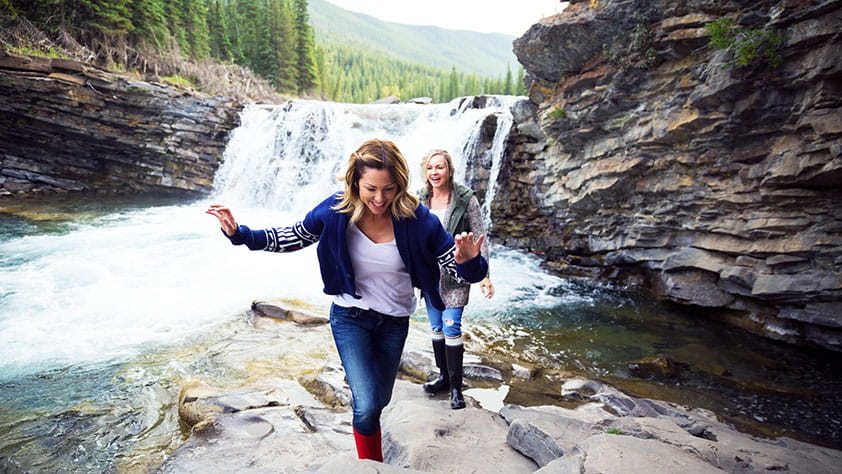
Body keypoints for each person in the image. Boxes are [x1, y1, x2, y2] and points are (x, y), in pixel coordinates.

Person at [205, 139, 488, 462]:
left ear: (401, 185)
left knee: (378, 401)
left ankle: (368, 433)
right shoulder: (336, 210)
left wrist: (469, 261)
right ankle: (372, 467)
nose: (379, 199)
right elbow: (292, 236)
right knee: (366, 405)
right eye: (371, 189)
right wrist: (240, 233)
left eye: (389, 189)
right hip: (349, 317)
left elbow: (465, 272)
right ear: (355, 182)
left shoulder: (419, 219)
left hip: (394, 322)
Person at [416, 149, 494, 410]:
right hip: (429, 277)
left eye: (439, 167)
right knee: (436, 328)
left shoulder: (465, 198)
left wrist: (484, 274)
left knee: (451, 328)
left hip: (457, 274)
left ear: (449, 170)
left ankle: (456, 389)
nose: (435, 172)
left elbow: (479, 236)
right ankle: (442, 377)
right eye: (430, 168)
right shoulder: (419, 199)